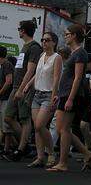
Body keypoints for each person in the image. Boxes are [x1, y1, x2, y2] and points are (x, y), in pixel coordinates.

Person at [47, 24, 91, 172]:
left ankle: (64, 162)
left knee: (64, 129)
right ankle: (88, 154)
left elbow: (78, 77)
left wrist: (70, 99)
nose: (65, 36)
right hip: (66, 94)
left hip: (71, 95)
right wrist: (60, 96)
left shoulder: (80, 53)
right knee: (63, 129)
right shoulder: (75, 53)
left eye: (67, 34)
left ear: (74, 35)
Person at [4, 20, 42, 161]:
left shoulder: (34, 47)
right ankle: (26, 146)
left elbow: (31, 71)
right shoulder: (25, 46)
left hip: (24, 88)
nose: (18, 31)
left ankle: (21, 149)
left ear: (23, 31)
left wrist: (21, 89)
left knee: (25, 118)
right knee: (8, 117)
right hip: (17, 87)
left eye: (20, 28)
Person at [26, 31, 62, 167]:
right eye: (43, 40)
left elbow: (56, 78)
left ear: (54, 42)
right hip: (37, 94)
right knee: (37, 128)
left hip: (48, 94)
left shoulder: (56, 57)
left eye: (47, 40)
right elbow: (37, 73)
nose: (44, 42)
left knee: (39, 125)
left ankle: (51, 153)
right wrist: (29, 84)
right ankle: (40, 157)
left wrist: (53, 96)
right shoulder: (42, 55)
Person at [0, 46, 15, 156]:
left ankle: (7, 149)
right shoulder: (2, 65)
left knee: (6, 125)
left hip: (6, 98)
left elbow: (9, 81)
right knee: (3, 125)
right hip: (3, 98)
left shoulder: (6, 64)